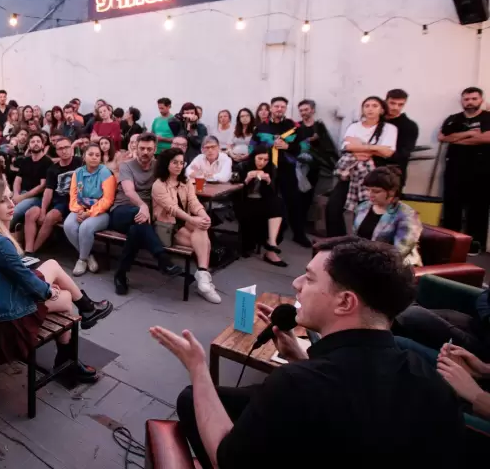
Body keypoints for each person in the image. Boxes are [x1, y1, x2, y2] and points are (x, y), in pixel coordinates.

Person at [156, 237, 463, 469]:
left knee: (195, 393)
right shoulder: (431, 381)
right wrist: (299, 359)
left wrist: (197, 367)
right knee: (192, 398)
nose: (296, 284)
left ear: (345, 302)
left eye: (310, 278)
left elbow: (226, 459)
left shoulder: (295, 384)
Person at [0, 179, 113, 379]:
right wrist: (48, 291)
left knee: (52, 269)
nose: (12, 204)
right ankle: (70, 356)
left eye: (9, 198)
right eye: (2, 201)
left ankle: (85, 314)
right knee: (65, 297)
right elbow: (25, 280)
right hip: (6, 316)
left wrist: (45, 289)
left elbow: (15, 275)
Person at [109, 133, 184, 295]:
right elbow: (129, 191)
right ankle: (162, 259)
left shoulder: (158, 167)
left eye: (149, 149)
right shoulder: (127, 166)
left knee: (136, 230)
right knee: (138, 216)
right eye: (142, 148)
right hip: (121, 212)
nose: (145, 152)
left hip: (142, 218)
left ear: (155, 149)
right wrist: (142, 206)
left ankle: (120, 275)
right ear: (136, 147)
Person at [152, 148, 217, 302]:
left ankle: (202, 276)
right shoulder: (159, 185)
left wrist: (203, 214)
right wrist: (193, 220)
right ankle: (205, 280)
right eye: (175, 162)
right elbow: (171, 209)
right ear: (166, 163)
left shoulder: (186, 181)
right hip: (168, 227)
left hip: (185, 222)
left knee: (201, 228)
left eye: (182, 162)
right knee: (204, 242)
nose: (179, 166)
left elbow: (194, 202)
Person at [327, 96, 397, 236]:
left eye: (374, 106)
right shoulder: (354, 126)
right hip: (351, 173)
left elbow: (387, 152)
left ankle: (364, 245)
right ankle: (336, 241)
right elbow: (347, 146)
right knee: (333, 208)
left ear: (382, 110)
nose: (370, 109)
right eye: (367, 106)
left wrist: (361, 146)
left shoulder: (389, 128)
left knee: (369, 210)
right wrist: (374, 148)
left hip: (374, 175)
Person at [252, 97, 312, 247]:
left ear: (285, 109)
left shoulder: (294, 126)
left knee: (293, 202)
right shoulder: (261, 127)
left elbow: (305, 147)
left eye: (282, 107)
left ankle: (299, 234)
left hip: (287, 168)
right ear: (271, 108)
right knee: (265, 200)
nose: (279, 109)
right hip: (267, 168)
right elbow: (252, 148)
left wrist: (287, 147)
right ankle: (265, 234)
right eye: (276, 106)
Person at [439, 86, 490, 255]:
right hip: (454, 169)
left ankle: (474, 245)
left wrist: (457, 138)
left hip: (481, 171)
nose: (470, 102)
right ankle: (449, 242)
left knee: (478, 208)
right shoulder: (453, 119)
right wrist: (470, 134)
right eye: (466, 99)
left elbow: (486, 138)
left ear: (481, 100)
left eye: (474, 99)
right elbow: (443, 137)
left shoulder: (488, 117)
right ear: (462, 101)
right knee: (452, 206)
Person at [353, 166, 422, 266]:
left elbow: (400, 252)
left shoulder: (407, 215)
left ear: (392, 192)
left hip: (395, 266)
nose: (370, 194)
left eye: (376, 191)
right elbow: (356, 239)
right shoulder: (363, 207)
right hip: (365, 261)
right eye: (368, 190)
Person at [64, 143, 116, 276]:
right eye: (91, 154)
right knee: (69, 225)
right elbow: (73, 195)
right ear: (84, 156)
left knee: (85, 227)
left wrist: (89, 213)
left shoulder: (105, 173)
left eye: (97, 155)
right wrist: (79, 210)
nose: (94, 157)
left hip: (100, 212)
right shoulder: (78, 173)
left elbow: (107, 200)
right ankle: (88, 256)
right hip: (80, 209)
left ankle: (81, 260)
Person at [23, 136, 81, 255]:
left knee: (50, 216)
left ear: (71, 148)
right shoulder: (52, 169)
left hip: (69, 202)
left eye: (66, 147)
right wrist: (43, 210)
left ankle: (33, 252)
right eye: (60, 148)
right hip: (55, 200)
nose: (64, 151)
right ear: (56, 151)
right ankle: (27, 250)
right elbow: (48, 191)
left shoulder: (80, 163)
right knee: (30, 213)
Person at [236, 150, 286, 266]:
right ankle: (269, 247)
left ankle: (272, 243)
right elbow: (235, 189)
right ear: (254, 157)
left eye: (265, 160)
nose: (262, 162)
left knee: (278, 205)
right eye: (259, 158)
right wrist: (246, 180)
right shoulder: (243, 166)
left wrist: (269, 181)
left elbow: (274, 192)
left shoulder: (271, 168)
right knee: (271, 209)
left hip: (263, 202)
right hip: (245, 202)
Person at [295, 99, 339, 219]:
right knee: (296, 193)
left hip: (314, 166)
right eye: (301, 110)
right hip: (298, 165)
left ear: (313, 110)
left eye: (306, 109)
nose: (304, 112)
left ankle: (303, 219)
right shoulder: (297, 126)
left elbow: (327, 146)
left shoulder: (318, 127)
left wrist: (317, 141)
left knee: (308, 193)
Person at [10, 132, 51, 231]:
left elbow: (42, 186)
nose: (35, 143)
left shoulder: (47, 162)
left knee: (13, 212)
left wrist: (21, 197)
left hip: (36, 198)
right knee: (1, 207)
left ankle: (1, 236)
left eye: (38, 141)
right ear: (28, 145)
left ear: (42, 144)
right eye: (32, 142)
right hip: (21, 194)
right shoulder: (26, 161)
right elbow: (17, 180)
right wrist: (16, 195)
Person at [383, 89, 418, 187]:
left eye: (400, 104)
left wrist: (375, 151)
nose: (395, 107)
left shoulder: (409, 126)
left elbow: (403, 153)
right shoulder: (375, 120)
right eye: (392, 103)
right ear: (385, 101)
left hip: (392, 175)